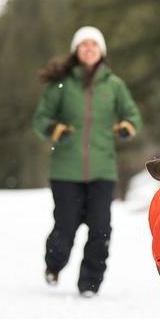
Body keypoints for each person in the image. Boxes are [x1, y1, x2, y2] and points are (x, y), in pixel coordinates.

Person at [32, 26, 142, 297]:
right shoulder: (62, 84)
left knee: (101, 228)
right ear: (76, 50)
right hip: (65, 170)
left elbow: (133, 116)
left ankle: (90, 283)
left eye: (94, 44)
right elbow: (40, 119)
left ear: (101, 51)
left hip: (102, 169)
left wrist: (127, 126)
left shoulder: (114, 85)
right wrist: (54, 129)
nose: (89, 48)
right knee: (66, 225)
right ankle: (54, 265)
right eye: (84, 45)